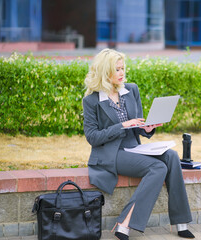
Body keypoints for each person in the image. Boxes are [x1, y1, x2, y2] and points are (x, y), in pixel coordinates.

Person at [82, 48, 195, 240]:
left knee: (172, 156)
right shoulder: (92, 100)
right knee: (158, 167)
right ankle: (124, 224)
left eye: (123, 68)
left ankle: (180, 222)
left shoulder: (131, 90)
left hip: (134, 147)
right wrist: (121, 126)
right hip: (111, 154)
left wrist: (148, 128)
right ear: (104, 71)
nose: (122, 73)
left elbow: (138, 124)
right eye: (117, 69)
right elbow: (92, 137)